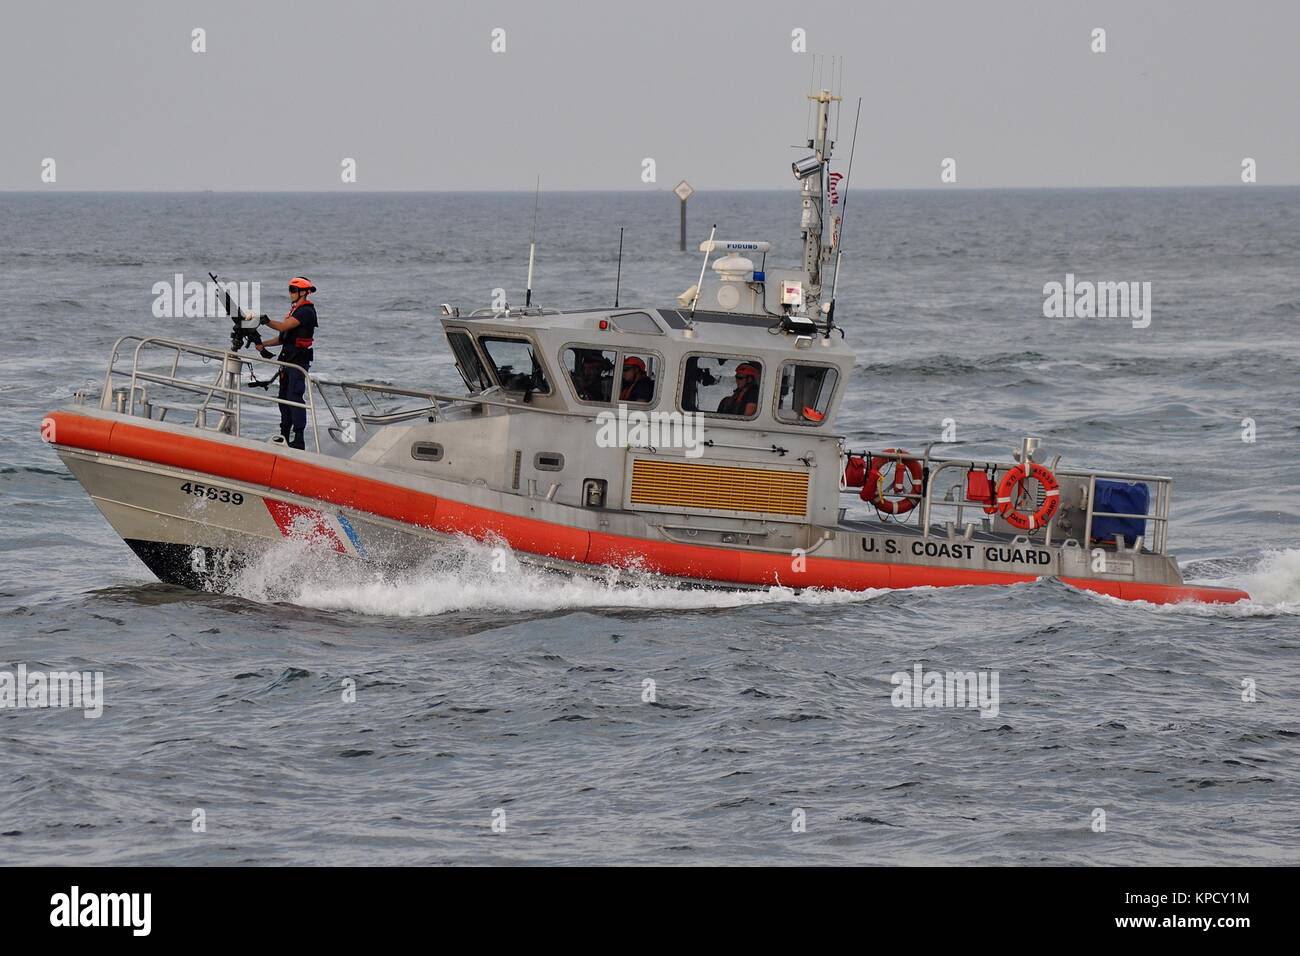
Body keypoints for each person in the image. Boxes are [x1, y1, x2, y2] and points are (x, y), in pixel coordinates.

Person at [253, 276, 318, 449]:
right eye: (290, 290)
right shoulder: (295, 311)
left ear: (304, 292)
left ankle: (299, 437)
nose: (290, 294)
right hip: (287, 362)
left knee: (294, 397)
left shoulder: (306, 312)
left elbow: (282, 327)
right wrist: (262, 344)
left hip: (297, 364)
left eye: (293, 290)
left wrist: (265, 321)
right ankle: (284, 434)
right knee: (283, 398)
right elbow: (283, 337)